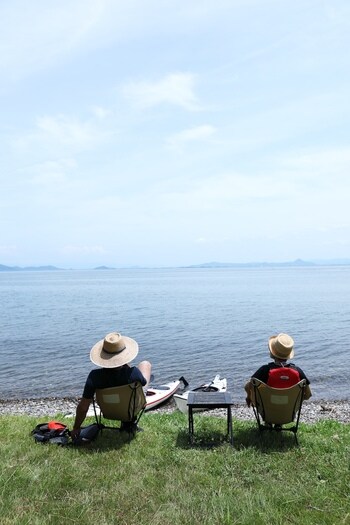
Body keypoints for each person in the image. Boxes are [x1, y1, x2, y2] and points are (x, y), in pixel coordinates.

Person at [71, 332, 151, 439]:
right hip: (131, 410)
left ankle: (127, 423)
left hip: (109, 412)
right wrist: (127, 367)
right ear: (124, 355)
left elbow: (83, 407)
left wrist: (76, 427)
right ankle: (129, 424)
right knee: (145, 364)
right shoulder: (133, 373)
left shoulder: (94, 377)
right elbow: (144, 382)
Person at [244, 333, 312, 407]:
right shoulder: (298, 371)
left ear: (272, 353)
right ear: (288, 354)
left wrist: (249, 397)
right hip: (290, 412)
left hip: (268, 413)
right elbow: (308, 395)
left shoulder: (264, 370)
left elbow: (248, 386)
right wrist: (296, 402)